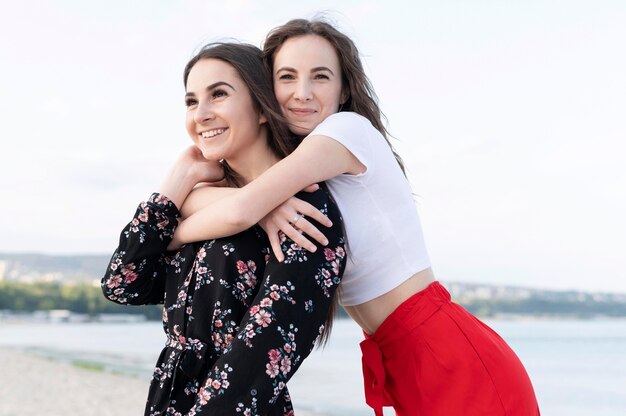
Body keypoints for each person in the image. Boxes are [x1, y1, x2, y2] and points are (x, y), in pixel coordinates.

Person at [172, 18, 541, 416]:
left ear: (344, 87)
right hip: (400, 357)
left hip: (449, 354)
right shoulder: (296, 169)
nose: (303, 93)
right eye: (287, 77)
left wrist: (175, 231)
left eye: (321, 77)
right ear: (267, 89)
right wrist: (244, 204)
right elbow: (225, 201)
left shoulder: (346, 131)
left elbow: (239, 207)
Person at [101, 42, 346, 416]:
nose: (201, 114)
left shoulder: (306, 207)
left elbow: (263, 354)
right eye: (190, 101)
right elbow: (123, 283)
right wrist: (176, 183)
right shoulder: (198, 202)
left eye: (218, 94)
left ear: (263, 108)